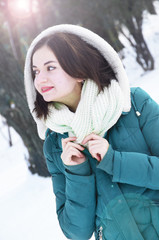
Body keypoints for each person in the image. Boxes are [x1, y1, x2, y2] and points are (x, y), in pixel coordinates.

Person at [24, 24, 159, 240]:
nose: (39, 80)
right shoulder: (54, 144)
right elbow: (76, 232)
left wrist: (115, 161)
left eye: (50, 68)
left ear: (78, 70)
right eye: (35, 72)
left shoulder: (132, 104)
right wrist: (76, 173)